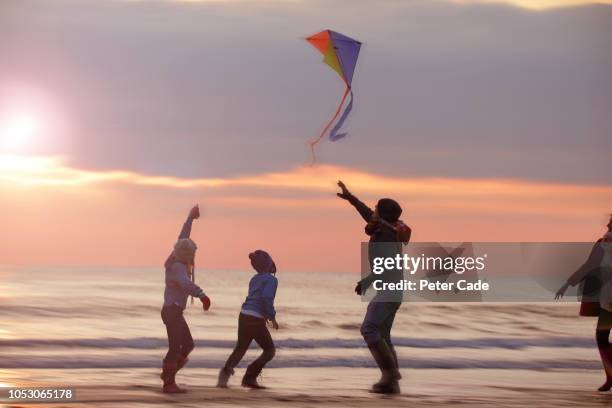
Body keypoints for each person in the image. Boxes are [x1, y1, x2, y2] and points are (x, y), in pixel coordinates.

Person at [336, 180, 411, 394]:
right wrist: (350, 197)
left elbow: (387, 267)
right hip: (393, 290)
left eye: (377, 207)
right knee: (384, 336)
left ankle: (390, 374)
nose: (373, 210)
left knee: (369, 329)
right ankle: (391, 383)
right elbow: (366, 212)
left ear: (383, 214)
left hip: (390, 289)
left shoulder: (386, 234)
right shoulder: (382, 226)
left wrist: (365, 282)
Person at [556, 214, 612, 391]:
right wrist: (567, 283)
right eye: (609, 224)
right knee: (601, 337)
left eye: (611, 224)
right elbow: (589, 265)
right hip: (605, 298)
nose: (608, 227)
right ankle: (610, 377)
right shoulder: (601, 243)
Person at [160, 205, 212, 394]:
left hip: (174, 311)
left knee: (188, 344)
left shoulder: (176, 255)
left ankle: (168, 374)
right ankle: (168, 382)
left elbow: (183, 236)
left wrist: (190, 218)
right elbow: (185, 284)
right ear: (187, 255)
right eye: (192, 254)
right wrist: (202, 295)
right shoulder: (178, 267)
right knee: (175, 347)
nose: (194, 257)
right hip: (171, 311)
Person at [217, 250, 279, 389]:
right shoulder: (272, 279)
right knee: (270, 351)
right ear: (269, 264)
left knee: (240, 349)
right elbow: (266, 298)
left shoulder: (254, 279)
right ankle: (250, 377)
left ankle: (224, 377)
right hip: (255, 318)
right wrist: (272, 316)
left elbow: (255, 298)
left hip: (244, 315)